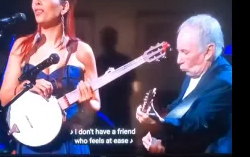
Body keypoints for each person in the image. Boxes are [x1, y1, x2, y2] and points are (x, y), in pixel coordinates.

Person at [0, 0, 100, 154]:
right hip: (32, 143)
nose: (37, 1)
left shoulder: (83, 51)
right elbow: (4, 97)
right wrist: (26, 88)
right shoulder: (22, 46)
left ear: (64, 6)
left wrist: (86, 105)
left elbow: (95, 105)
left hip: (70, 143)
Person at [135, 14, 232, 154]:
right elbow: (180, 108)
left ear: (208, 51)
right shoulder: (196, 73)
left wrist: (160, 127)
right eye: (178, 51)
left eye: (185, 52)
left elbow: (196, 126)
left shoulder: (225, 82)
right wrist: (154, 119)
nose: (178, 60)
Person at [96, 26, 135, 128]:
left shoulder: (125, 61)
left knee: (120, 140)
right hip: (103, 110)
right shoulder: (96, 62)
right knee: (103, 140)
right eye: (106, 39)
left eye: (109, 39)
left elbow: (131, 87)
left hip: (120, 110)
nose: (107, 42)